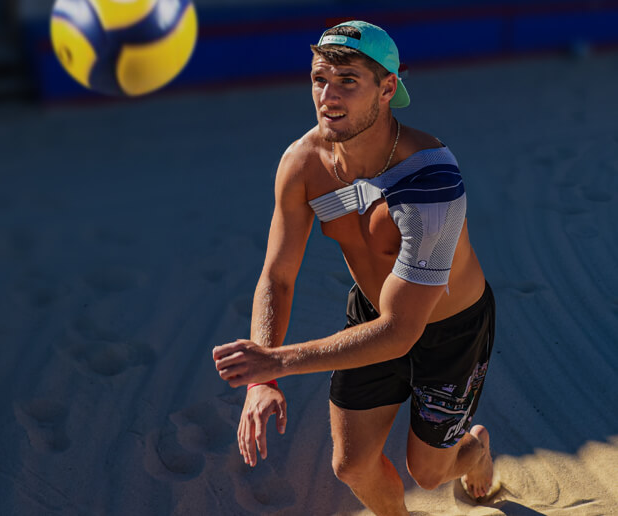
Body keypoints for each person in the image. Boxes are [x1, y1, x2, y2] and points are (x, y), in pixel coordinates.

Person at [212, 20, 498, 515]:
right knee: (351, 466)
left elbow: (401, 332)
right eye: (320, 78)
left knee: (428, 473)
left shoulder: (431, 183)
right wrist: (263, 378)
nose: (328, 95)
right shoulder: (303, 164)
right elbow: (277, 277)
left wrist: (277, 361)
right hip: (374, 311)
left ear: (387, 88)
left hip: (449, 330)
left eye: (348, 81)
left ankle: (473, 452)